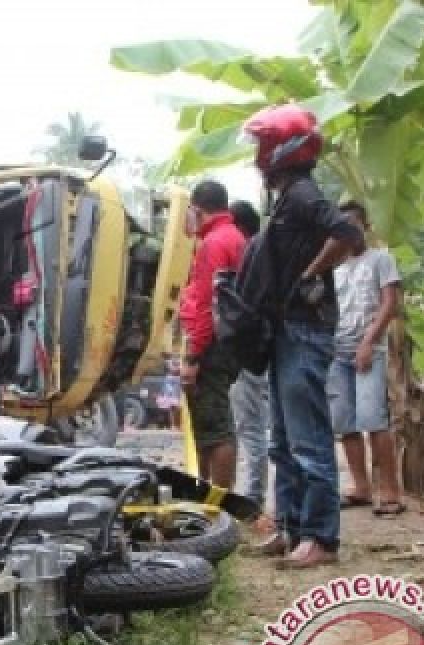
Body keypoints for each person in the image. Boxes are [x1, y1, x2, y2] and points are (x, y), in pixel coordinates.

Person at [242, 105, 365, 569]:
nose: (257, 153)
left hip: (304, 327)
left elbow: (348, 233)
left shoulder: (304, 194)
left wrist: (313, 273)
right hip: (285, 328)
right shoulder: (288, 196)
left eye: (262, 144)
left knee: (309, 439)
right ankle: (292, 528)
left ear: (283, 149)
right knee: (283, 439)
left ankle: (321, 538)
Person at [328, 202, 405, 518]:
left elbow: (390, 304)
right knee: (344, 422)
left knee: (373, 418)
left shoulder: (380, 259)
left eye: (354, 223)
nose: (350, 230)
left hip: (368, 349)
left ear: (365, 226)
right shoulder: (334, 266)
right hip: (337, 349)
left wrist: (368, 342)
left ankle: (390, 490)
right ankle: (361, 487)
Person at [178, 180, 246, 489]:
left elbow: (207, 303)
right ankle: (209, 492)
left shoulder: (214, 243)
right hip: (228, 341)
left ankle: (220, 501)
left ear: (197, 209)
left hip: (211, 344)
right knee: (209, 421)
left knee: (214, 424)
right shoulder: (234, 238)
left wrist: (193, 355)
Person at [228, 201, 272, 521]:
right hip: (266, 351)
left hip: (250, 353)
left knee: (251, 428)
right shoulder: (263, 251)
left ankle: (253, 499)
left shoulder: (247, 254)